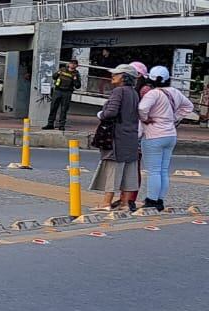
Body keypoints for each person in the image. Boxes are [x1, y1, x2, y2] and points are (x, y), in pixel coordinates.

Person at [138, 66, 193, 210]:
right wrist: (174, 118)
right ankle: (160, 201)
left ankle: (151, 200)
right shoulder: (175, 92)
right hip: (170, 134)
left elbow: (142, 109)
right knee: (163, 170)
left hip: (153, 135)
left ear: (150, 78)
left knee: (153, 170)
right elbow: (189, 107)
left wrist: (145, 119)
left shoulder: (152, 94)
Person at [92, 65, 142, 211]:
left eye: (116, 74)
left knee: (113, 167)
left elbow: (111, 112)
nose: (113, 76)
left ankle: (106, 203)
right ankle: (125, 203)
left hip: (117, 136)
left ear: (124, 77)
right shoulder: (134, 93)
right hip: (131, 136)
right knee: (129, 169)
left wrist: (101, 114)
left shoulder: (118, 91)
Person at [45, 59, 81, 129]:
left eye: (74, 64)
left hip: (67, 92)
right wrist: (58, 73)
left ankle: (61, 125)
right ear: (69, 64)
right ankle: (50, 124)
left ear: (77, 65)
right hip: (57, 90)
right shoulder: (62, 69)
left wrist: (75, 79)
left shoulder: (76, 74)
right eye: (71, 63)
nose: (72, 64)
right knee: (53, 108)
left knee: (64, 109)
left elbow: (78, 86)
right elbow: (54, 76)